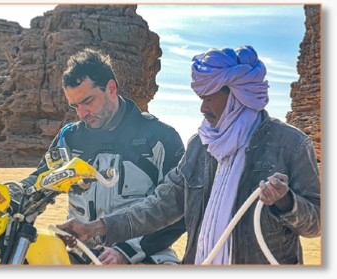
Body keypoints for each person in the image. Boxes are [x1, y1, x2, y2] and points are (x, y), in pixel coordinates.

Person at [56, 45, 321, 265]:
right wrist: (94, 228)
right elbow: (159, 206)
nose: (203, 108)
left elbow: (318, 222)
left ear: (237, 96)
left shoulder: (291, 144)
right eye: (200, 98)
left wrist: (286, 202)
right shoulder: (201, 146)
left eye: (209, 98)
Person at [20, 48, 186, 265]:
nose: (82, 113)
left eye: (88, 101)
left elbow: (180, 209)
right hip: (79, 252)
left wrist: (125, 252)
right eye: (75, 106)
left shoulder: (161, 137)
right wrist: (10, 194)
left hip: (145, 254)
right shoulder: (69, 139)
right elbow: (41, 180)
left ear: (111, 88)